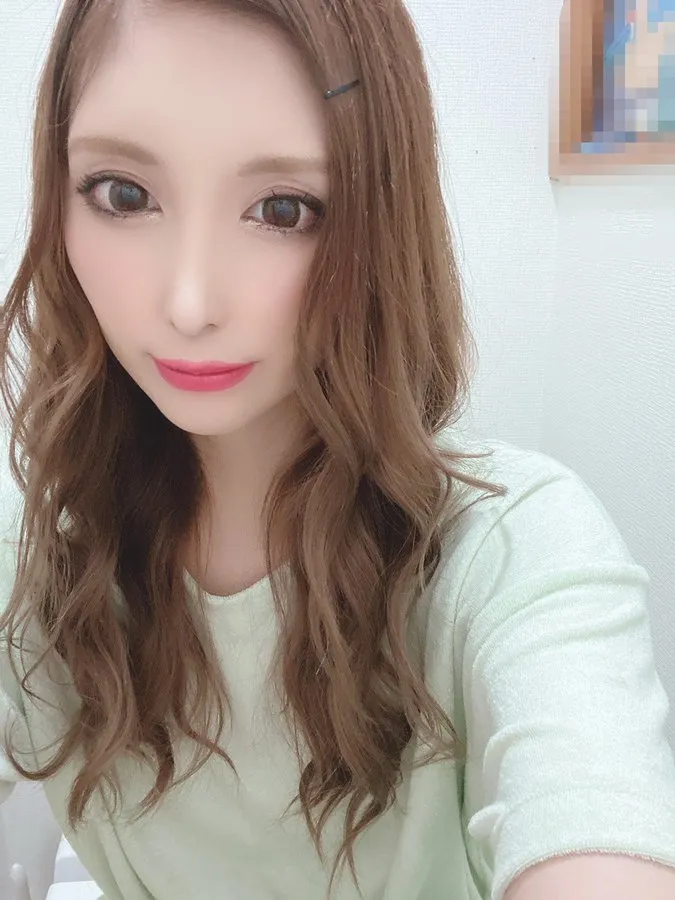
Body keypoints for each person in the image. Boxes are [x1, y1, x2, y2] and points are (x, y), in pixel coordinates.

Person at [1, 2, 675, 899]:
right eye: (124, 194)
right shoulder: (37, 565)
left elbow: (593, 813)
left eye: (282, 209)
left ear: (377, 223)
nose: (189, 303)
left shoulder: (509, 551)